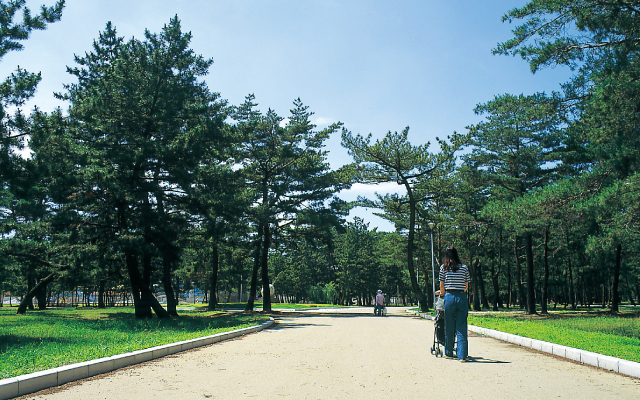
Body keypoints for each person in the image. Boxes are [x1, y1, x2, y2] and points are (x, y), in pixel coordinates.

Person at [438, 246, 471, 362]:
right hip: (461, 297)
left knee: (449, 326)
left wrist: (443, 294)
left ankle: (449, 353)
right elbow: (467, 285)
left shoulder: (444, 268)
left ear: (446, 255)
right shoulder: (464, 268)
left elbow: (442, 286)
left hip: (449, 297)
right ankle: (462, 355)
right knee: (461, 326)